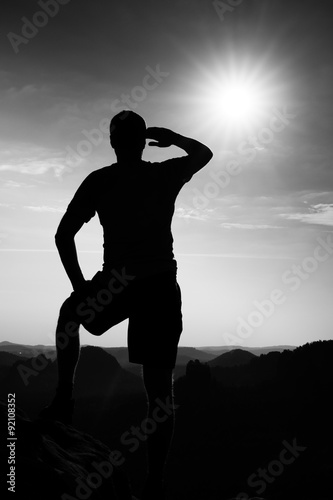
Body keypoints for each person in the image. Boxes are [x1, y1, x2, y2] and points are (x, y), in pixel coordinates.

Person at [41, 110, 213, 500]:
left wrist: (80, 286)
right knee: (159, 394)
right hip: (159, 288)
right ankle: (155, 484)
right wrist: (174, 137)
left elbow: (63, 235)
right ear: (141, 141)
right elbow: (204, 154)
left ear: (113, 142)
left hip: (117, 284)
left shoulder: (100, 181)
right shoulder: (163, 174)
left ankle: (64, 399)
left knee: (71, 314)